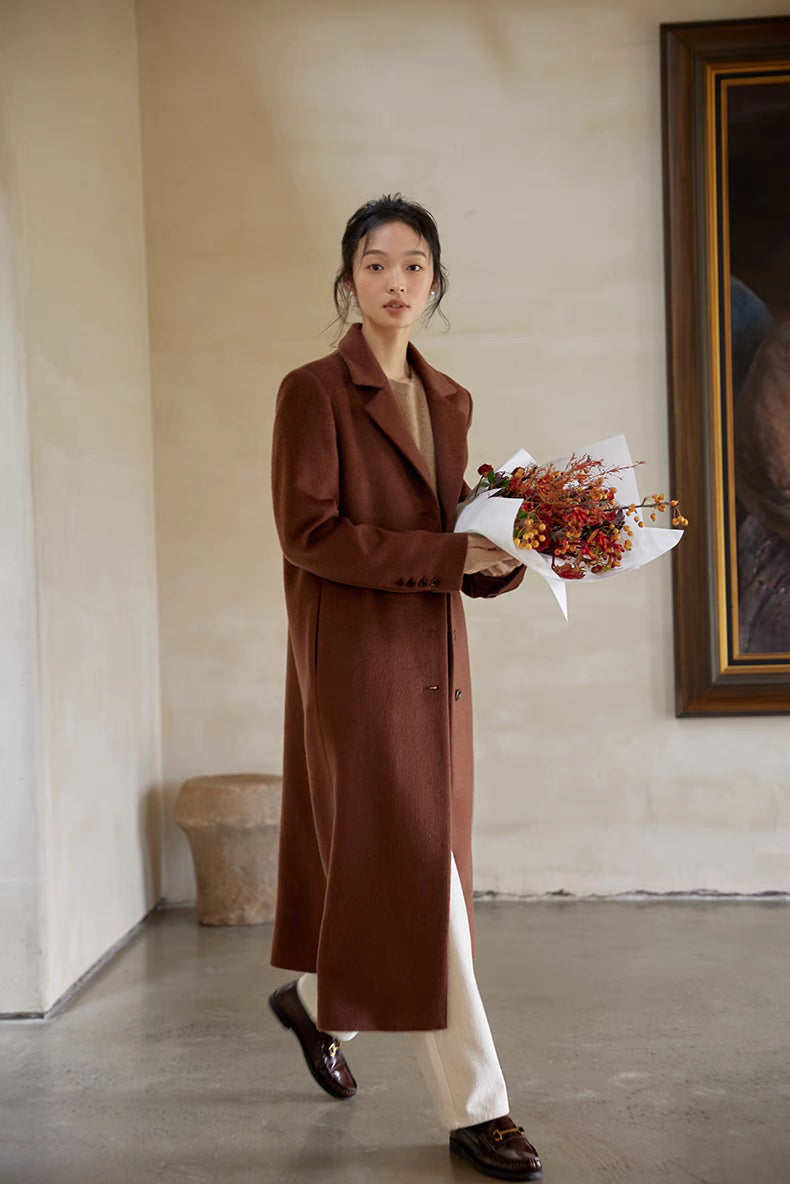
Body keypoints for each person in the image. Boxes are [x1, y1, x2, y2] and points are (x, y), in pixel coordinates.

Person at [268, 193, 542, 1181]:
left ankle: (310, 993)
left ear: (435, 282)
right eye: (375, 263)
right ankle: (480, 1109)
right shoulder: (312, 390)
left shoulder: (449, 398)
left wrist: (513, 554)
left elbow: (452, 536)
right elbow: (310, 533)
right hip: (356, 666)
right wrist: (444, 550)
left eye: (413, 264)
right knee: (428, 876)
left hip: (440, 667)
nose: (395, 281)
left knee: (419, 867)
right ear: (349, 279)